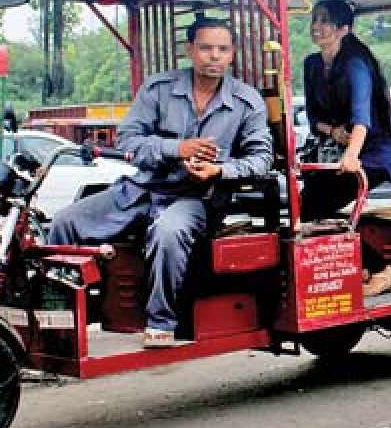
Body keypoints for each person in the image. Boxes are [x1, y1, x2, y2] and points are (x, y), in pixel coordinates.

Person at [48, 18, 273, 348]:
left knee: (168, 232)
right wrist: (175, 149)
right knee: (64, 223)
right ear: (190, 51)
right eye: (206, 48)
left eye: (222, 50)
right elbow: (127, 142)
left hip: (196, 199)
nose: (214, 56)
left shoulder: (246, 101)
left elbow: (261, 159)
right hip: (142, 189)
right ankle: (59, 323)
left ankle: (161, 324)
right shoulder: (159, 89)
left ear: (232, 55)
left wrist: (219, 170)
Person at [301, 0, 391, 296]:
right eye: (315, 20)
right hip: (337, 151)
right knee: (306, 207)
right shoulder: (312, 65)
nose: (317, 27)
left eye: (325, 21)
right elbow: (312, 120)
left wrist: (351, 155)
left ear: (344, 28)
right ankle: (363, 268)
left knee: (315, 204)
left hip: (372, 154)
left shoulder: (356, 63)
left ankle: (384, 269)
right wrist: (333, 131)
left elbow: (362, 118)